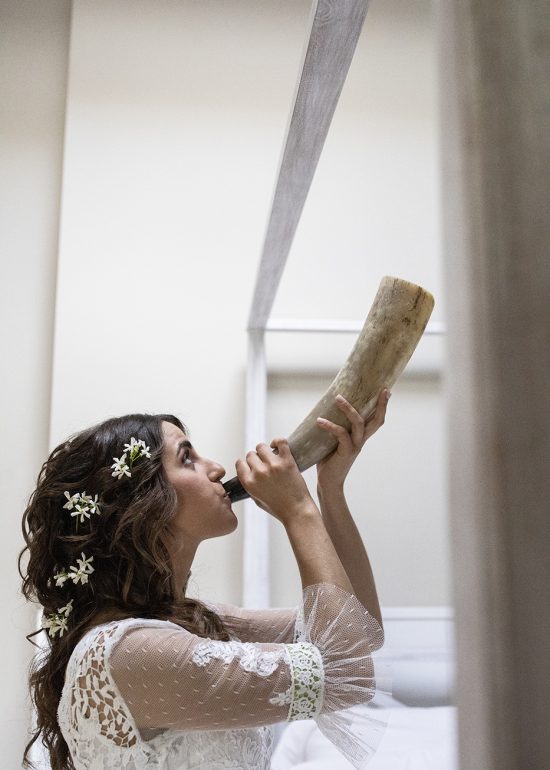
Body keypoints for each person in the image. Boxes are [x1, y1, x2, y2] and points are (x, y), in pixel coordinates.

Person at [19, 389, 392, 770]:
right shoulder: (129, 653)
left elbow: (362, 631)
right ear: (142, 503)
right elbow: (346, 672)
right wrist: (298, 510)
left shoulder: (188, 620)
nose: (216, 468)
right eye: (187, 458)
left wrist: (330, 489)